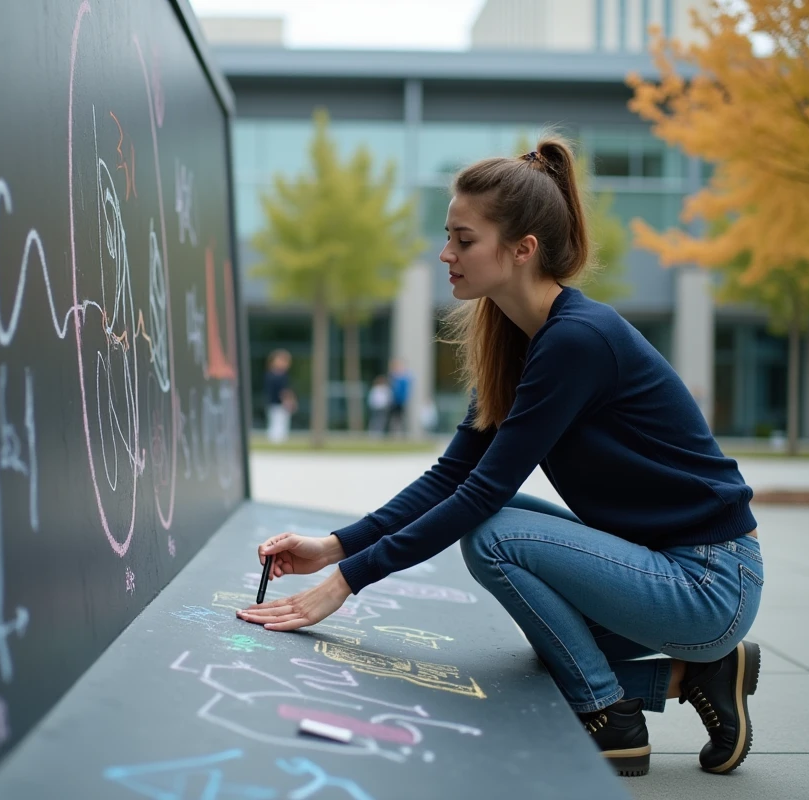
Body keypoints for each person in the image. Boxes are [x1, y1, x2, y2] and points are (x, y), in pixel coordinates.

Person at [238, 138, 763, 779]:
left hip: (708, 582)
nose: (445, 253)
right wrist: (336, 547)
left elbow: (477, 498)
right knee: (547, 649)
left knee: (494, 534)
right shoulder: (517, 339)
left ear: (522, 250)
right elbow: (453, 475)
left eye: (463, 239)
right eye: (448, 236)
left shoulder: (577, 341)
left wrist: (347, 584)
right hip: (662, 573)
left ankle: (609, 714)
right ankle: (698, 675)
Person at [263, 349, 296, 444]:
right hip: (275, 403)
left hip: (278, 403)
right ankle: (275, 441)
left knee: (282, 423)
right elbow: (284, 392)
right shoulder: (273, 375)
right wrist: (288, 401)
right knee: (276, 423)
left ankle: (279, 441)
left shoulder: (282, 375)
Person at [386, 359, 413, 436]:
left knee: (401, 418)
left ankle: (402, 433)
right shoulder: (393, 377)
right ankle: (393, 433)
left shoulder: (404, 378)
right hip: (394, 401)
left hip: (401, 401)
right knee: (393, 418)